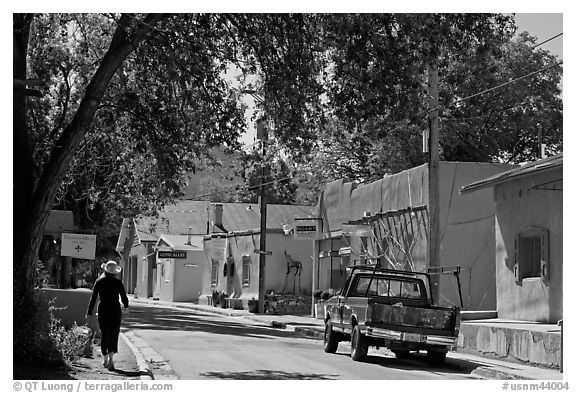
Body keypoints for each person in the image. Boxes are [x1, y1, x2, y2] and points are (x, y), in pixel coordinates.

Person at [86, 260, 129, 371]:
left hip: (103, 309)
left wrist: (89, 312)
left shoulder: (99, 281)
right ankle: (111, 358)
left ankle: (105, 359)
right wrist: (126, 306)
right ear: (115, 272)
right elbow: (124, 297)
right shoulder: (118, 282)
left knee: (105, 334)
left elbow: (94, 298)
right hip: (115, 310)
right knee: (114, 334)